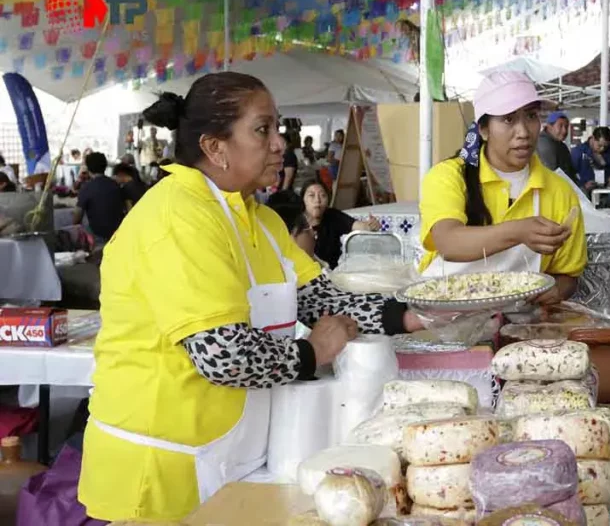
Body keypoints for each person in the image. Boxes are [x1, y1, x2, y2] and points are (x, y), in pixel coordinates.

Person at [78, 72, 424, 522]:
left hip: (232, 455)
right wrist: (313, 350)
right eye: (263, 130)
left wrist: (412, 316)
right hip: (162, 465)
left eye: (278, 128)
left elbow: (322, 301)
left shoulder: (259, 219)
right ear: (214, 147)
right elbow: (223, 355)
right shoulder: (177, 217)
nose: (280, 144)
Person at [417, 71, 586, 305]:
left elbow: (568, 274)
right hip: (444, 317)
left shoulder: (559, 191)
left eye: (531, 116)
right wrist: (519, 232)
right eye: (508, 119)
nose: (524, 132)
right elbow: (448, 242)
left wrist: (556, 290)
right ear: (484, 129)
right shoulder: (449, 176)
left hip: (517, 323)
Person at [299, 180, 381, 269]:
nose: (317, 200)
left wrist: (370, 226)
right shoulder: (296, 223)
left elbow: (358, 226)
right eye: (311, 195)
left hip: (332, 274)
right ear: (302, 199)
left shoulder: (333, 216)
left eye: (322, 195)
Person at [73, 152, 126, 242]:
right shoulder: (116, 185)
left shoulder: (87, 187)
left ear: (88, 168)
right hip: (119, 232)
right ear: (105, 166)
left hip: (98, 236)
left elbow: (77, 217)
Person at [571, 126, 610, 193]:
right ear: (593, 138)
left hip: (608, 192)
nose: (602, 149)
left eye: (605, 147)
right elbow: (570, 176)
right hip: (586, 193)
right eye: (599, 145)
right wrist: (583, 186)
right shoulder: (578, 152)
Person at [536, 111, 578, 183]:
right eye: (560, 126)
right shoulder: (544, 144)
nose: (564, 131)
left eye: (566, 126)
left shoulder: (560, 145)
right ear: (549, 126)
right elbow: (552, 172)